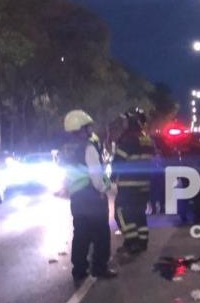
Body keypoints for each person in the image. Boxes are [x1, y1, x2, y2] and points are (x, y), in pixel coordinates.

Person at [62, 110, 117, 285]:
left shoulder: (66, 149)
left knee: (80, 234)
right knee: (101, 233)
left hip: (77, 197)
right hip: (92, 196)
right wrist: (107, 187)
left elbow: (67, 175)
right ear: (81, 128)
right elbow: (96, 175)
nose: (90, 130)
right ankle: (100, 268)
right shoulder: (88, 147)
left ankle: (79, 269)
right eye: (88, 127)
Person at [112, 108, 155, 254]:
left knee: (121, 213)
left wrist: (111, 178)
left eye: (125, 121)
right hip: (144, 185)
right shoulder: (147, 140)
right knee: (139, 214)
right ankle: (142, 242)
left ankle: (132, 242)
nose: (123, 125)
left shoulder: (127, 140)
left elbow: (118, 162)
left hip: (128, 185)